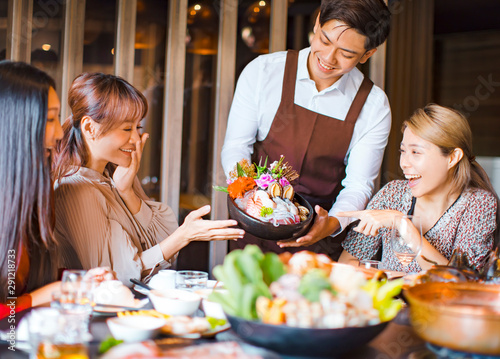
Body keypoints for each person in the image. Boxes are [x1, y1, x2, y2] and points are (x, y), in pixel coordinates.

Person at [221, 0, 392, 256]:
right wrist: (252, 200)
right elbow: (236, 146)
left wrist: (330, 224)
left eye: (346, 54)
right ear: (317, 21)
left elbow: (358, 185)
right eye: (324, 40)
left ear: (368, 54)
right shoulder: (263, 72)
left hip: (318, 242)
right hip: (253, 228)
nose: (328, 59)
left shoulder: (373, 106)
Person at [53, 73, 244, 285]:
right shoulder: (76, 189)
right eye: (127, 128)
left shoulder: (114, 176)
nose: (135, 139)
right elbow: (116, 276)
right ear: (90, 128)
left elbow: (160, 242)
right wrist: (184, 236)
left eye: (138, 128)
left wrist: (127, 193)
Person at [0, 62, 113, 319]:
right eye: (50, 118)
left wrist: (80, 280)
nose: (59, 132)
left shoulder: (37, 193)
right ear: (16, 123)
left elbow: (34, 283)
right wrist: (52, 292)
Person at [338, 104, 498, 272]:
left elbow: (461, 281)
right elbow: (347, 262)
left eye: (415, 152)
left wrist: (403, 225)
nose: (403, 163)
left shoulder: (478, 204)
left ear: (452, 158)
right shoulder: (392, 194)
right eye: (403, 151)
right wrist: (392, 279)